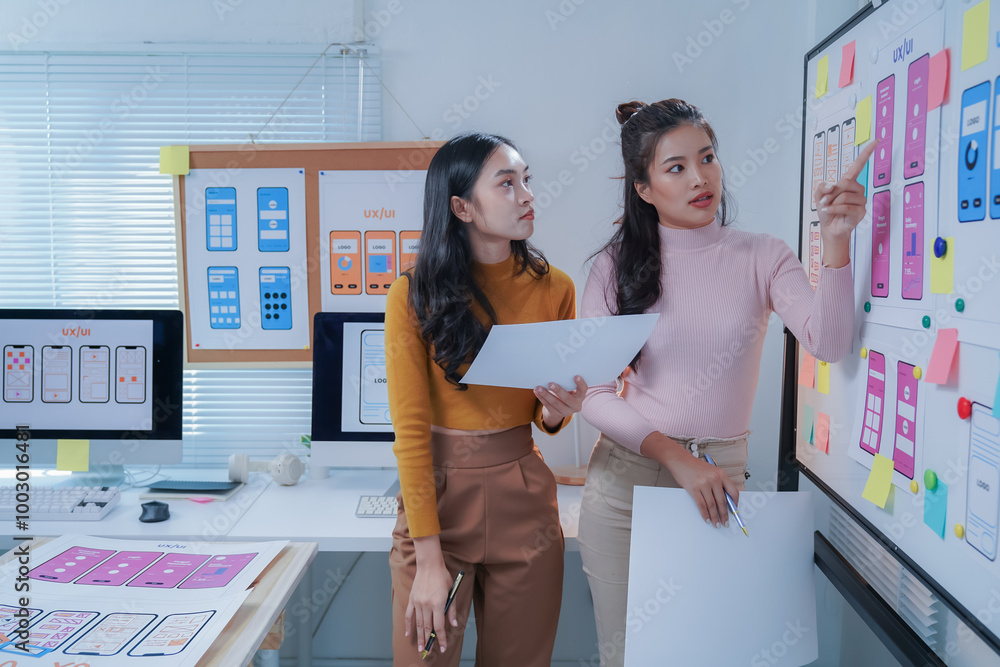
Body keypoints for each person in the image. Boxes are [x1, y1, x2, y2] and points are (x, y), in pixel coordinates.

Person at [576, 98, 876, 666]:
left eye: (707, 158)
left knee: (711, 654)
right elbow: (593, 394)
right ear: (643, 189)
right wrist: (676, 457)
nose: (700, 178)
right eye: (677, 167)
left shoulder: (762, 255)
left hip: (718, 488)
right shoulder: (615, 266)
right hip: (625, 488)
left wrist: (836, 240)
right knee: (626, 657)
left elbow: (829, 342)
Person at [385, 132, 588, 666]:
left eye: (526, 180)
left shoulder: (556, 288)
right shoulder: (412, 294)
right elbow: (409, 430)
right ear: (461, 207)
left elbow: (545, 413)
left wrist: (556, 411)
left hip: (523, 497)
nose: (527, 195)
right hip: (438, 504)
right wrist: (428, 560)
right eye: (507, 183)